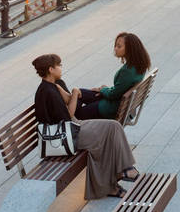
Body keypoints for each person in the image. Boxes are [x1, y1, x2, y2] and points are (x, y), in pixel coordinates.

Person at [32, 54, 139, 199]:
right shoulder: (46, 91)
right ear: (51, 69)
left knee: (114, 126)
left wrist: (71, 93)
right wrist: (75, 93)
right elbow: (68, 115)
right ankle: (111, 184)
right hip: (66, 134)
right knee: (105, 136)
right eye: (59, 65)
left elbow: (70, 103)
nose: (61, 67)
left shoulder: (56, 84)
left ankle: (124, 169)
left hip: (73, 126)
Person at [75, 32, 152, 120]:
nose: (115, 48)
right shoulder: (139, 65)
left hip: (110, 108)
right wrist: (105, 90)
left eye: (119, 46)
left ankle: (65, 122)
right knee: (80, 93)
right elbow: (121, 89)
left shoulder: (128, 71)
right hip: (118, 104)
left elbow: (113, 95)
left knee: (77, 113)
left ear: (130, 49)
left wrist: (103, 89)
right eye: (115, 45)